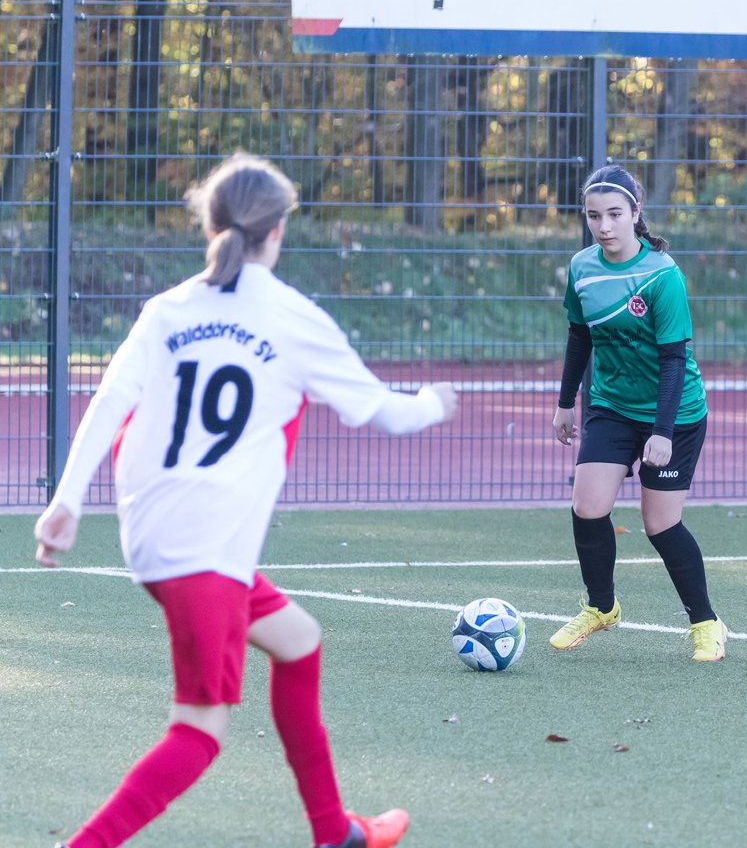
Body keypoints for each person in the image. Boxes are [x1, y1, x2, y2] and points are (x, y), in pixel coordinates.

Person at [33, 153, 457, 848]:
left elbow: (111, 402)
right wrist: (433, 403)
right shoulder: (292, 317)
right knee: (198, 732)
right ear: (279, 229)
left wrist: (66, 503)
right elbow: (383, 414)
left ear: (211, 224)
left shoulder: (167, 309)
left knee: (299, 642)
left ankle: (334, 832)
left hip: (157, 533)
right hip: (205, 550)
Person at [549, 164, 727, 662]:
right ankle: (602, 607)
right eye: (593, 216)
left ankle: (706, 623)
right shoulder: (582, 267)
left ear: (635, 214)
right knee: (587, 505)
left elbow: (674, 360)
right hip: (610, 405)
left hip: (676, 412)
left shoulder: (662, 276)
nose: (604, 226)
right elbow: (579, 336)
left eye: (614, 214)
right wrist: (566, 403)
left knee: (661, 525)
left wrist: (663, 432)